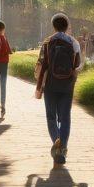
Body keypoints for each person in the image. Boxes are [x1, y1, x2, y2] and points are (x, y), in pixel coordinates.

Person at [35, 13, 81, 165]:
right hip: (67, 85)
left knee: (51, 116)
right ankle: (63, 149)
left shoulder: (48, 42)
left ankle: (56, 141)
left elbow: (42, 66)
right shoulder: (73, 42)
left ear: (53, 26)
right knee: (65, 117)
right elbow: (77, 66)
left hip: (50, 85)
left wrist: (39, 88)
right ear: (67, 26)